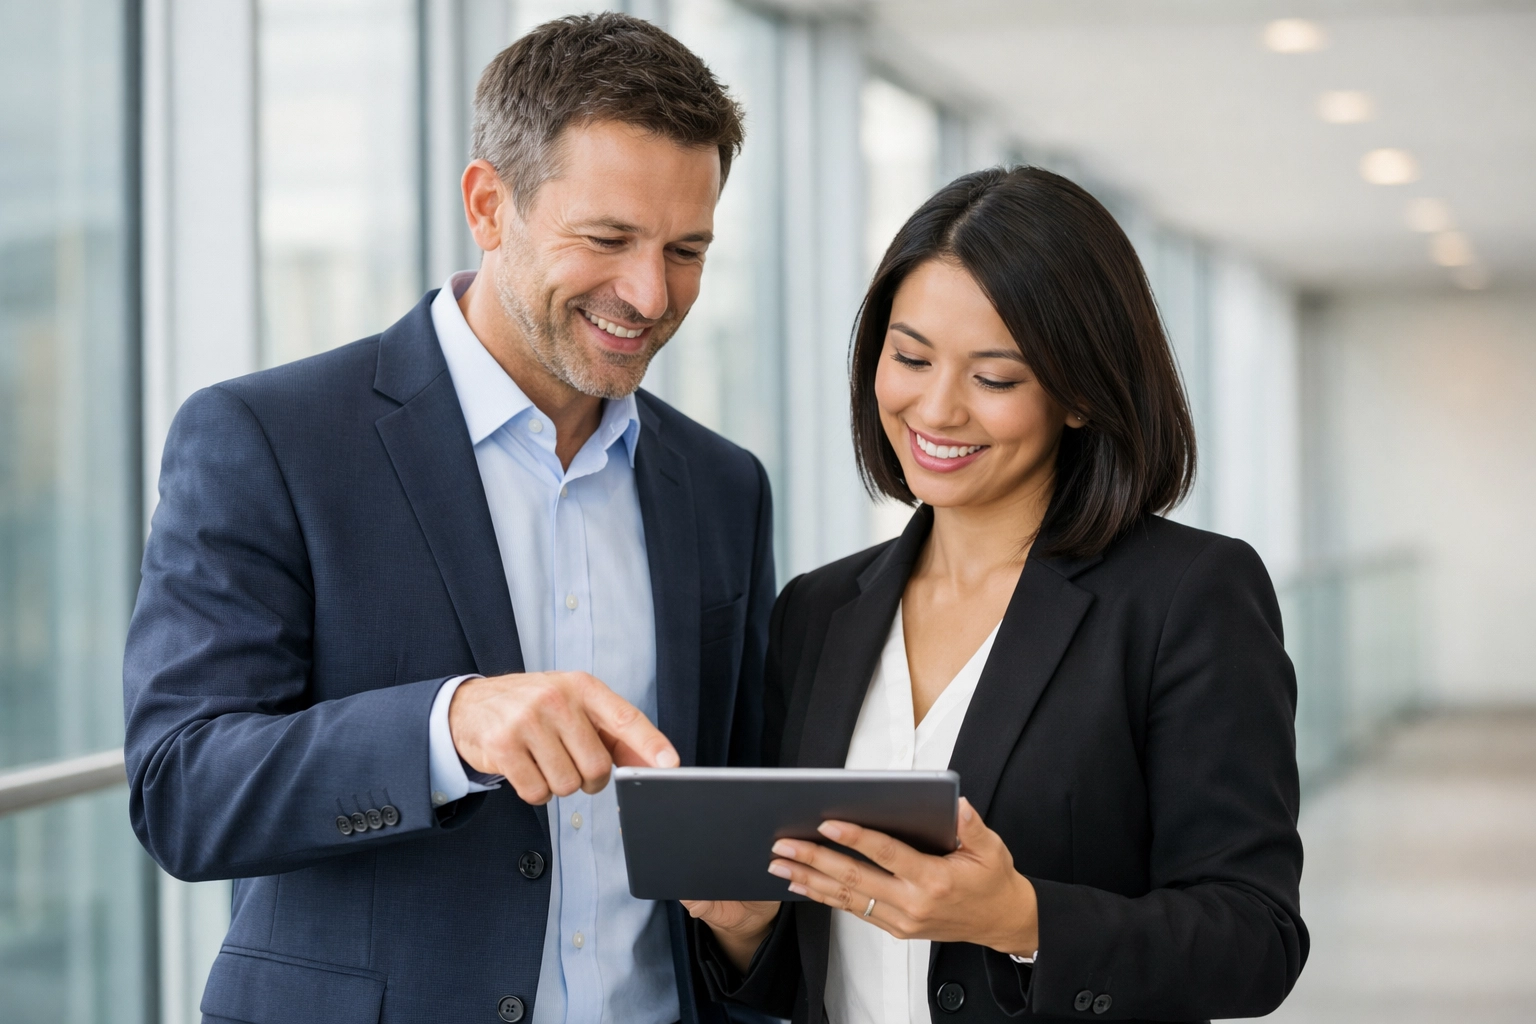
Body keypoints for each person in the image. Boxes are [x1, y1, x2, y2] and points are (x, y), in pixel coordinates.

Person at [123, 14, 773, 1024]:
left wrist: (752, 925)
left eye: (686, 249)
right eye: (606, 239)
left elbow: (728, 835)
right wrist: (447, 725)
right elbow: (181, 789)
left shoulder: (724, 488)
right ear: (488, 204)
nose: (650, 293)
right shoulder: (268, 438)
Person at [686, 167, 1308, 1023]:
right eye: (909, 358)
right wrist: (747, 932)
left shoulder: (1187, 598)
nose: (935, 409)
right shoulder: (816, 612)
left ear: (1081, 393)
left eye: (996, 377)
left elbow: (1257, 938)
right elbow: (823, 970)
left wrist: (1022, 920)